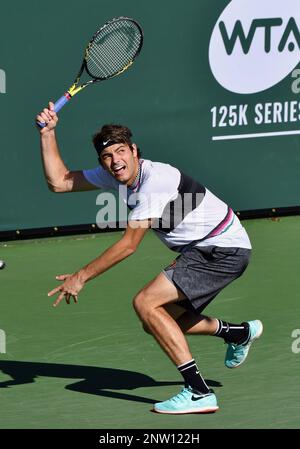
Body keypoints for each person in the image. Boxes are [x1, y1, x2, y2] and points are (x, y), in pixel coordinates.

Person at [36, 102, 263, 415]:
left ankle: (199, 393)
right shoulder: (116, 176)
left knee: (145, 303)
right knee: (156, 321)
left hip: (221, 247)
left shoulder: (154, 182)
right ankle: (238, 333)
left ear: (134, 150)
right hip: (204, 247)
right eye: (107, 156)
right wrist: (48, 133)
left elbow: (129, 245)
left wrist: (81, 276)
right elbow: (59, 182)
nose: (115, 161)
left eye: (120, 152)